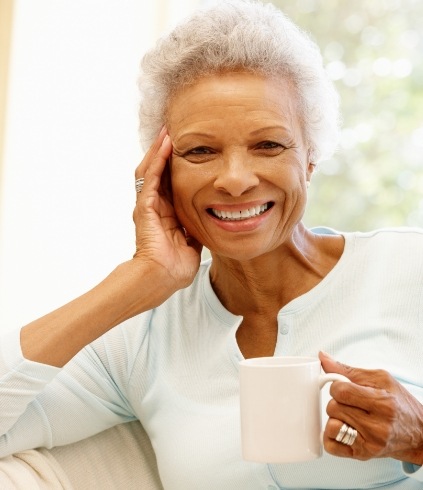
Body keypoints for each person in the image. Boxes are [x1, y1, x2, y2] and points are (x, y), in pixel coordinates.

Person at [1, 0, 422, 488]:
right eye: (201, 151)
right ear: (162, 174)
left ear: (310, 157)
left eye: (269, 145)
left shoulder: (409, 268)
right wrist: (137, 278)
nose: (236, 180)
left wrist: (417, 435)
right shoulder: (144, 334)